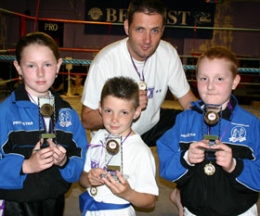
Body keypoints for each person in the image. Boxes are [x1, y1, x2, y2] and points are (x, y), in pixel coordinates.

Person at [156, 46, 260, 216]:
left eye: (219, 79)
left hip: (239, 211)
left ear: (235, 81)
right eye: (204, 78)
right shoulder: (185, 121)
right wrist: (186, 159)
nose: (210, 86)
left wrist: (235, 166)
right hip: (194, 211)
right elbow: (166, 166)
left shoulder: (251, 125)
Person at [81, 0, 196, 147]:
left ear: (162, 30)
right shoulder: (106, 61)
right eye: (140, 29)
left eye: (154, 30)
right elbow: (87, 119)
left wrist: (212, 119)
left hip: (150, 127)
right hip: (114, 135)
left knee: (192, 122)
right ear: (127, 27)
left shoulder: (168, 53)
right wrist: (127, 103)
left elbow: (188, 101)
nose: (147, 40)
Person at [0, 32, 87, 216]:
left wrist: (64, 162)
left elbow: (80, 157)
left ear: (58, 66)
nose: (40, 73)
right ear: (18, 67)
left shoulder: (68, 114)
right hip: (15, 204)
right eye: (31, 65)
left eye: (47, 65)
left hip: (53, 202)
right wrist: (26, 166)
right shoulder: (5, 112)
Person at [79, 76, 158, 216]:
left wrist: (128, 193)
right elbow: (83, 179)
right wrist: (90, 178)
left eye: (124, 112)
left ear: (137, 112)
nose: (114, 119)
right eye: (109, 111)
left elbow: (149, 201)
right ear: (100, 108)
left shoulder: (140, 151)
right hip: (91, 210)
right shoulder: (98, 137)